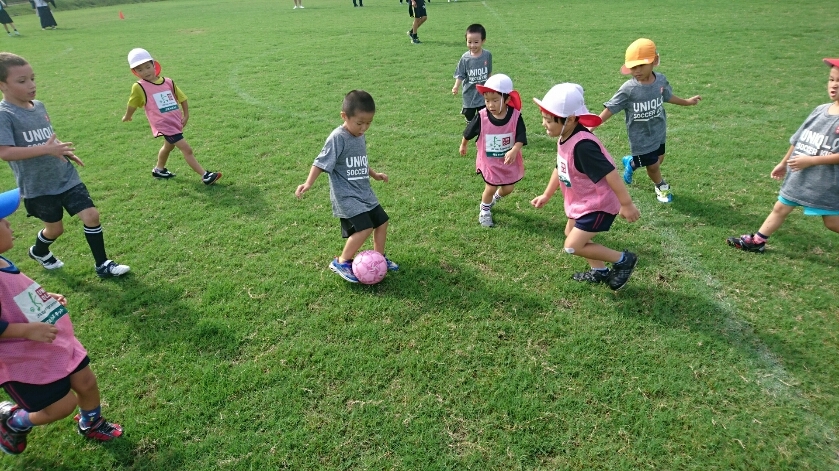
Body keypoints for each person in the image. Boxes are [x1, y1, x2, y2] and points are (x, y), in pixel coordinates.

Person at [0, 188, 123, 456]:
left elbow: (14, 292)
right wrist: (25, 330)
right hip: (23, 361)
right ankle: (14, 421)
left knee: (87, 382)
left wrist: (42, 296)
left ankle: (91, 423)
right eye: (1, 221)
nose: (8, 223)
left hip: (54, 342)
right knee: (61, 406)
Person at [0, 53, 130, 278]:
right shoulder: (5, 115)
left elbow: (48, 138)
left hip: (65, 177)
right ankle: (39, 251)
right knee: (55, 229)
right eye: (22, 81)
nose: (31, 85)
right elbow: (5, 152)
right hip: (38, 187)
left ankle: (103, 264)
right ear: (2, 85)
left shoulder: (39, 106)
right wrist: (47, 150)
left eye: (32, 78)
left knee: (91, 215)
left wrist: (64, 151)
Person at [531, 83, 641, 290]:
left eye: (548, 119)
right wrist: (547, 194)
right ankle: (600, 272)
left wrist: (626, 204)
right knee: (570, 232)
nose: (543, 123)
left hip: (598, 205)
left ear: (570, 119)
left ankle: (623, 260)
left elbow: (611, 173)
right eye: (544, 118)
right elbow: (560, 166)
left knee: (572, 246)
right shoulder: (565, 136)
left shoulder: (583, 146)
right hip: (583, 202)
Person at [727, 58, 839, 253]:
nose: (834, 85)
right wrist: (784, 163)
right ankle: (758, 241)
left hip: (824, 182)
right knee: (781, 207)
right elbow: (799, 139)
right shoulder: (820, 110)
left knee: (831, 222)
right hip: (800, 175)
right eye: (831, 79)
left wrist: (811, 161)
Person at [295, 90, 399, 283]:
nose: (364, 128)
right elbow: (320, 161)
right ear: (344, 116)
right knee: (365, 227)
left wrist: (374, 174)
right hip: (346, 195)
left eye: (369, 123)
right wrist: (308, 183)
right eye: (359, 123)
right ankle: (342, 262)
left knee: (382, 222)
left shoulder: (359, 135)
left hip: (364, 191)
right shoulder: (338, 137)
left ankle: (379, 258)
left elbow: (360, 160)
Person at [598, 38, 701, 203]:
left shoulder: (660, 80)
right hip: (640, 137)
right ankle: (661, 186)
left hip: (658, 131)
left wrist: (687, 102)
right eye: (633, 67)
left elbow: (667, 96)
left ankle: (631, 163)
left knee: (659, 159)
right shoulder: (628, 89)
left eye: (641, 66)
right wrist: (595, 123)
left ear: (655, 61)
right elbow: (612, 107)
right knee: (653, 166)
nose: (636, 70)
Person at [122, 48, 221, 186]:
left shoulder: (168, 82)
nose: (145, 72)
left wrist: (186, 115)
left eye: (148, 67)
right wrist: (128, 116)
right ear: (135, 72)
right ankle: (205, 175)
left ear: (154, 65)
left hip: (175, 121)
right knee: (187, 149)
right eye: (140, 70)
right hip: (164, 124)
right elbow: (132, 103)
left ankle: (159, 170)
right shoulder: (139, 87)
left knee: (168, 147)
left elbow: (182, 98)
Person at [459, 74, 526, 228]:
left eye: (495, 100)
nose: (490, 105)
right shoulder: (482, 116)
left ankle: (494, 199)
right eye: (487, 100)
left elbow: (521, 135)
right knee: (491, 187)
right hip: (489, 161)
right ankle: (484, 210)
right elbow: (468, 132)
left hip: (508, 161)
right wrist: (464, 144)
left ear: (507, 99)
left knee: (508, 188)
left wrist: (515, 149)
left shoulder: (515, 117)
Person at [452, 24, 491, 124]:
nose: (472, 45)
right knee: (469, 116)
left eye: (476, 42)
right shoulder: (465, 58)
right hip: (469, 94)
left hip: (483, 94)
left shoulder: (487, 55)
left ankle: (482, 131)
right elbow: (460, 74)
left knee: (485, 115)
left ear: (483, 41)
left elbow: (489, 72)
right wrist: (456, 86)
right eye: (469, 42)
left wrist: (490, 85)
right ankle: (470, 123)